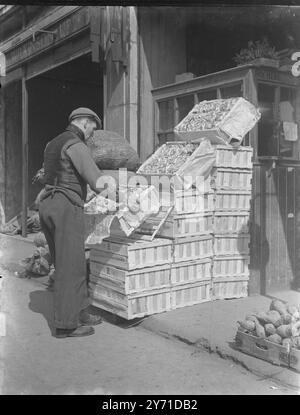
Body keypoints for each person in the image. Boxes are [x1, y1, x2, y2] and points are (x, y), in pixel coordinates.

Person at [38, 107, 105, 338]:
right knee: (71, 267)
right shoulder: (76, 145)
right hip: (65, 206)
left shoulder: (52, 143)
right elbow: (97, 181)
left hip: (47, 204)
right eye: (93, 126)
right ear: (84, 123)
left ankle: (82, 311)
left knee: (66, 261)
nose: (93, 131)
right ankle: (66, 325)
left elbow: (46, 174)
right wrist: (122, 195)